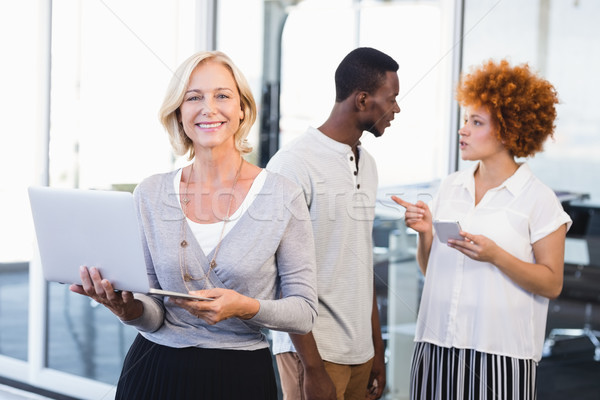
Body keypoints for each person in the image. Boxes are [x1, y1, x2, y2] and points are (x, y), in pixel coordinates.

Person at [69, 50, 318, 400]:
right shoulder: (151, 193)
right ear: (179, 112)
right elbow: (154, 312)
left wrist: (244, 306)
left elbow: (304, 313)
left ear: (243, 109)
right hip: (153, 371)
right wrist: (127, 310)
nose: (209, 108)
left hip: (239, 377)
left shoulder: (283, 196)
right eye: (194, 97)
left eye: (223, 96)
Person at [392, 59, 572, 399]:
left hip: (501, 355)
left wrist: (496, 256)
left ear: (508, 130)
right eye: (465, 121)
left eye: (476, 122)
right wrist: (425, 234)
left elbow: (552, 283)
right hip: (436, 346)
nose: (463, 130)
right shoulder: (451, 187)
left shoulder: (538, 199)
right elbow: (433, 271)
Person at [267, 47, 401, 400]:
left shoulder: (368, 163)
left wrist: (376, 348)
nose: (397, 109)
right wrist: (311, 368)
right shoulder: (292, 164)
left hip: (360, 352)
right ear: (362, 100)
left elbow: (360, 262)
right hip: (314, 353)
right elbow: (279, 275)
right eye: (392, 99)